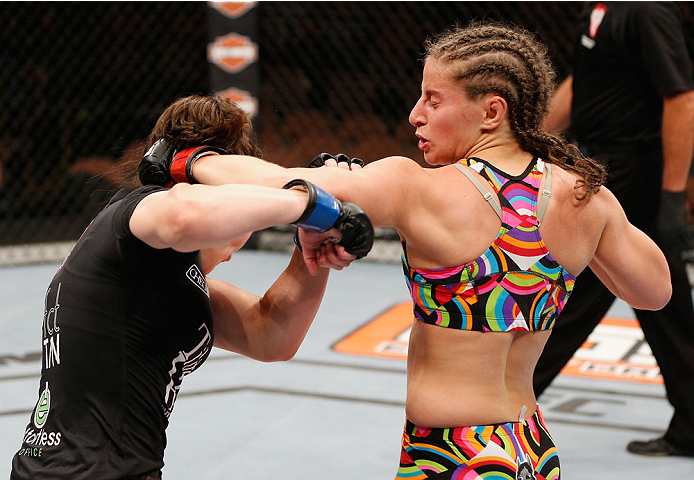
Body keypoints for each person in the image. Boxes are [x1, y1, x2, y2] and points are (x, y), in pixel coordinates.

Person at [138, 23, 672, 479]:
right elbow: (654, 291)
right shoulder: (584, 196)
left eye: (433, 100)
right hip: (532, 451)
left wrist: (184, 161)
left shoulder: (418, 189)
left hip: (456, 457)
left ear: (491, 111)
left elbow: (283, 184)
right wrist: (589, 226)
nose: (415, 115)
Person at [9, 95, 374, 480]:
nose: (245, 232)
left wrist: (310, 248)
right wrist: (310, 203)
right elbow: (183, 214)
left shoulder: (151, 272)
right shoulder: (138, 214)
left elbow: (271, 335)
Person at [536, 1, 694, 457]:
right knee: (664, 303)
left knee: (573, 289)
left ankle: (500, 406)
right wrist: (524, 137)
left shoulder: (646, 11)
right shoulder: (599, 6)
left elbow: (681, 98)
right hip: (600, 159)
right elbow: (580, 83)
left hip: (632, 168)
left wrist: (671, 195)